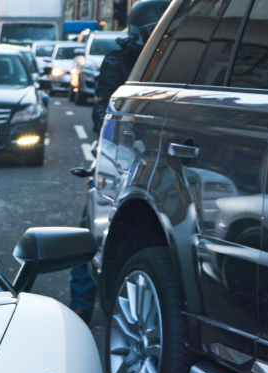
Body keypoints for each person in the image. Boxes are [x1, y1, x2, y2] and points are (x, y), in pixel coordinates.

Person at [68, 0, 170, 324]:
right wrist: (120, 129)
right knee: (90, 229)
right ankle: (80, 306)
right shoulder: (119, 60)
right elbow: (103, 108)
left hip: (160, 153)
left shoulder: (168, 60)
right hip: (120, 151)